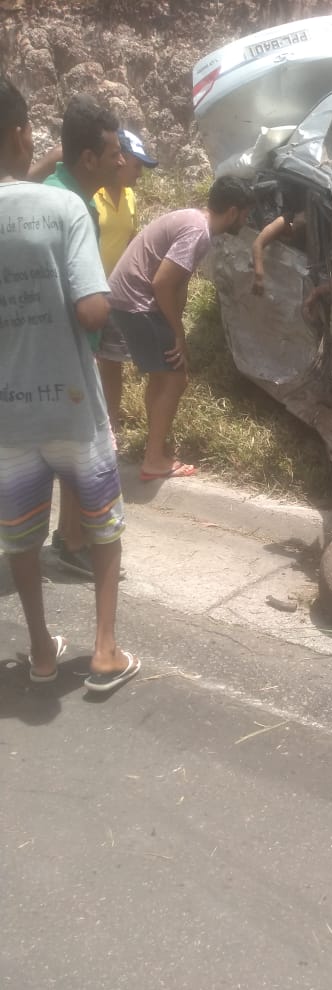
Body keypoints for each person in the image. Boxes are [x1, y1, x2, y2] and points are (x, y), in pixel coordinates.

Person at [0, 75, 140, 693]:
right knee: (103, 526)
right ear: (24, 133)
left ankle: (39, 651)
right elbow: (91, 312)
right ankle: (105, 651)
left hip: (9, 417)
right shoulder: (64, 208)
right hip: (74, 407)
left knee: (22, 535)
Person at [109, 175, 254, 480]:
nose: (246, 219)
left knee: (163, 376)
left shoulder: (195, 221)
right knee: (176, 379)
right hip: (138, 302)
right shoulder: (198, 233)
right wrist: (178, 333)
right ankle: (153, 459)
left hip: (126, 299)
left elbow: (178, 284)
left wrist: (176, 321)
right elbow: (162, 283)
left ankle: (155, 448)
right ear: (231, 212)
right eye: (244, 213)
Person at [43, 93, 125, 578]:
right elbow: (86, 303)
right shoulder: (72, 206)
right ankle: (71, 543)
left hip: (64, 350)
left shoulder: (59, 189)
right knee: (77, 450)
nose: (121, 159)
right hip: (66, 350)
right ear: (89, 158)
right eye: (114, 152)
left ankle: (67, 536)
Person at [94, 128, 158, 428]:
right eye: (137, 166)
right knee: (89, 362)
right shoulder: (92, 195)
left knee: (111, 363)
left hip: (115, 294)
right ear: (119, 161)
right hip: (87, 292)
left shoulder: (131, 197)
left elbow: (132, 241)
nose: (139, 174)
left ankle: (111, 424)